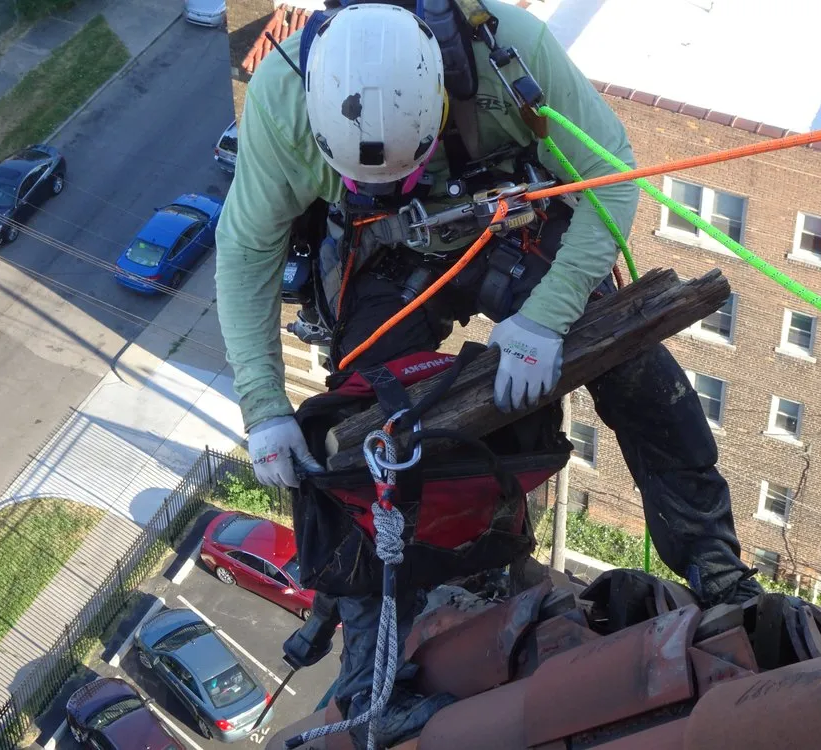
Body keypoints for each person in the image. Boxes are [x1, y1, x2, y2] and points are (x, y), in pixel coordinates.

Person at [215, 1, 763, 746]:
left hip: (505, 219)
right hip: (382, 249)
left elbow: (612, 178)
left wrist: (546, 317)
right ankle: (373, 667)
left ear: (440, 96)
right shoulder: (283, 105)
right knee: (366, 446)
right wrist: (265, 404)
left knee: (641, 377)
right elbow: (245, 249)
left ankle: (718, 571)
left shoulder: (509, 54)